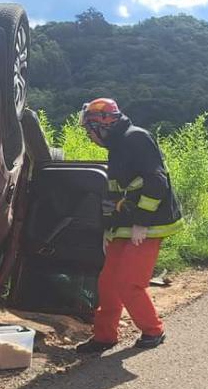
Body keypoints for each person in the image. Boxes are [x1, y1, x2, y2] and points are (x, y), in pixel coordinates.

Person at [75, 98, 184, 354]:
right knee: (108, 282)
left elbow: (157, 182)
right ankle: (104, 336)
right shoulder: (117, 146)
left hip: (150, 223)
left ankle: (153, 330)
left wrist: (141, 223)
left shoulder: (137, 139)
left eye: (89, 130)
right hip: (125, 223)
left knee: (129, 282)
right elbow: (114, 194)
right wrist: (109, 228)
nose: (89, 136)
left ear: (103, 125)